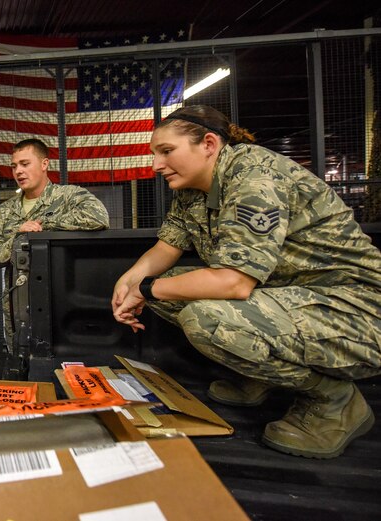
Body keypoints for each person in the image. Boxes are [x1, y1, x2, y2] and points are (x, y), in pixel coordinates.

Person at [112, 105, 381, 459]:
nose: (155, 165)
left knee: (203, 317)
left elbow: (234, 284)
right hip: (293, 298)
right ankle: (264, 374)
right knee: (172, 287)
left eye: (166, 152)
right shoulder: (192, 186)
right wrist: (129, 282)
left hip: (355, 312)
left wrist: (145, 291)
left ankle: (335, 399)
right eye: (154, 154)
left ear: (208, 144)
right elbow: (169, 245)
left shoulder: (256, 178)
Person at [0, 138, 109, 345]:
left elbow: (99, 218)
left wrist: (44, 226)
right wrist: (18, 235)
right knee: (20, 361)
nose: (18, 172)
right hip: (18, 308)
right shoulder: (5, 212)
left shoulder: (68, 196)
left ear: (44, 164)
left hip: (61, 303)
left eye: (25, 164)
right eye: (14, 166)